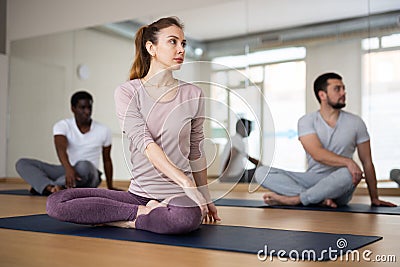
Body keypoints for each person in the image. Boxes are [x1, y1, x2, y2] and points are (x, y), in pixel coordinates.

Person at [46, 17, 220, 235]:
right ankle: (138, 214)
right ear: (151, 48)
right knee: (57, 202)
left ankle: (124, 218)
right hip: (138, 195)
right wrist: (186, 182)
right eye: (173, 42)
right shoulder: (127, 92)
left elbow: (196, 150)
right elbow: (145, 144)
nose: (181, 49)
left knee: (186, 216)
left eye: (183, 43)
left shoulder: (193, 94)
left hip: (177, 197)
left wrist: (203, 195)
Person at [255, 72, 396, 208]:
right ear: (322, 95)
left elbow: (367, 162)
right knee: (261, 173)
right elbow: (317, 154)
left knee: (349, 173)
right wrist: (348, 161)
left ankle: (296, 199)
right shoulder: (306, 121)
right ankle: (317, 198)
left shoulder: (356, 122)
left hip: (340, 185)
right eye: (337, 89)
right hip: (312, 179)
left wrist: (374, 198)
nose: (343, 93)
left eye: (343, 88)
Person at [16, 91, 116, 195]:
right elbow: (61, 149)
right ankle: (52, 187)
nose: (87, 111)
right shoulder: (62, 126)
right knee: (22, 163)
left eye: (89, 107)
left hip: (90, 174)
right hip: (66, 169)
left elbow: (107, 160)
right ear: (73, 108)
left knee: (83, 165)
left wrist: (110, 186)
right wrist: (68, 169)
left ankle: (46, 186)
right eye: (82, 108)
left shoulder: (104, 130)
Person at [219, 118, 260, 183]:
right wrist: (224, 175)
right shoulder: (237, 140)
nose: (250, 130)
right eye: (249, 127)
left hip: (234, 175)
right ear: (241, 128)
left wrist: (260, 164)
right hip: (233, 177)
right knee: (261, 173)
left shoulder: (235, 139)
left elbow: (248, 157)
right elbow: (231, 157)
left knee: (261, 170)